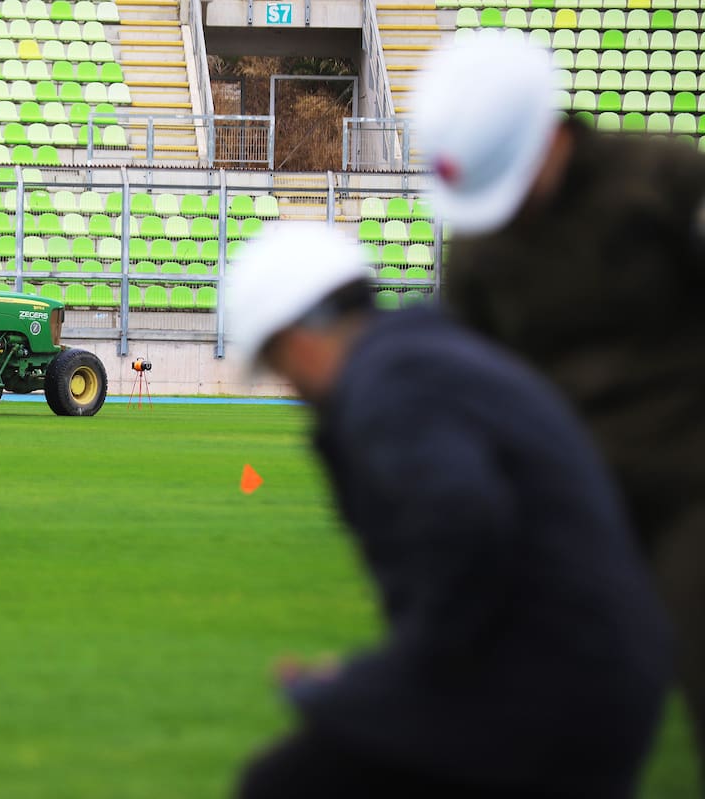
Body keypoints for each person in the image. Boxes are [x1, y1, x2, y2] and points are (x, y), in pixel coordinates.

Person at [225, 222, 671, 798]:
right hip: (596, 674)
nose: (288, 385)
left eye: (276, 362)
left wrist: (382, 682)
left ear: (300, 337)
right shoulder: (428, 356)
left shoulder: (391, 383)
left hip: (554, 687)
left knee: (285, 784)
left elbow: (462, 524)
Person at [415, 31, 705, 785]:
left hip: (689, 485)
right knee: (536, 699)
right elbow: (469, 382)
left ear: (550, 135)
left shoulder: (666, 182)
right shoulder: (481, 249)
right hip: (570, 499)